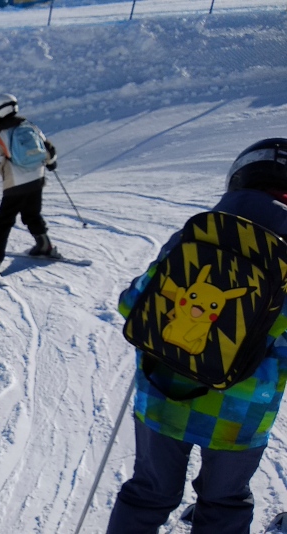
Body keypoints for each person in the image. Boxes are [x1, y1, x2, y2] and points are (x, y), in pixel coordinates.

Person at [107, 138, 287, 534]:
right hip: (241, 413)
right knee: (225, 502)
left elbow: (133, 304)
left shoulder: (195, 236)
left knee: (149, 492)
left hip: (163, 392)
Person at [0, 93, 58, 273]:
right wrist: (51, 163)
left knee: (3, 222)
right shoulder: (29, 125)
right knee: (32, 214)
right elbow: (47, 148)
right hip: (37, 178)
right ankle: (45, 246)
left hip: (16, 185)